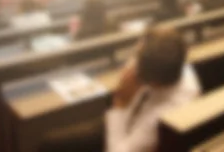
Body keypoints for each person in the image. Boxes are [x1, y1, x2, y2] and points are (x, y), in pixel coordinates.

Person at [39, 28, 201, 152]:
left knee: (50, 143)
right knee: (53, 140)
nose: (131, 62)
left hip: (124, 127)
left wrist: (120, 103)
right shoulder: (174, 63)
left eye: (136, 57)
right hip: (127, 115)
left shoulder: (158, 121)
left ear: (151, 82)